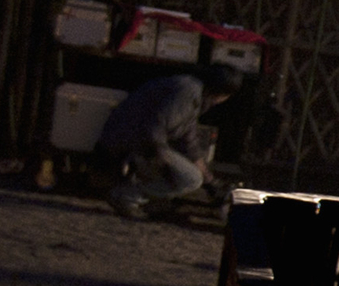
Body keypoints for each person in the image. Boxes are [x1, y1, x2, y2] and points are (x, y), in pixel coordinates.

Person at [96, 57, 249, 217]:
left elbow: (189, 142)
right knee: (191, 178)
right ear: (223, 93)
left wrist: (210, 181)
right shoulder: (188, 93)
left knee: (189, 171)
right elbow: (155, 127)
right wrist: (163, 159)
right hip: (133, 142)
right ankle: (126, 196)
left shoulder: (194, 92)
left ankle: (147, 200)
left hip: (137, 140)